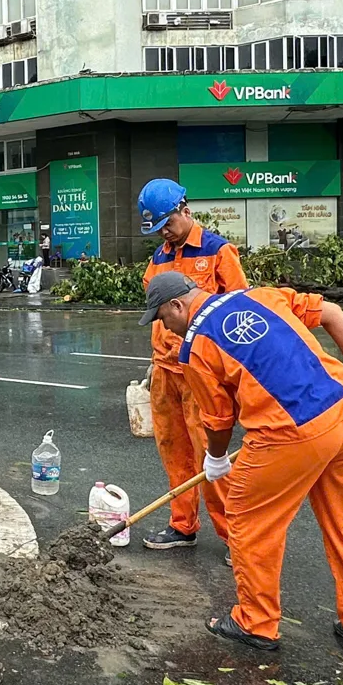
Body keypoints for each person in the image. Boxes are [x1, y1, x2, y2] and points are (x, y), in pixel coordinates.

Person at [141, 271, 343, 659]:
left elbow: (218, 420)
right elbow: (331, 312)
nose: (165, 328)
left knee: (245, 517)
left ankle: (255, 622)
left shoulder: (195, 345)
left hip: (292, 433)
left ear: (178, 305)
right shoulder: (260, 295)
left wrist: (215, 458)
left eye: (163, 318)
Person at [138, 178, 248, 555]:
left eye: (167, 224)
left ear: (185, 210)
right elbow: (156, 315)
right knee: (173, 451)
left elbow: (239, 311)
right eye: (157, 228)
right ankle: (182, 525)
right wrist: (154, 363)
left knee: (211, 457)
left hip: (201, 371)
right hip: (164, 370)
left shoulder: (218, 252)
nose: (163, 233)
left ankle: (236, 539)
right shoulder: (159, 258)